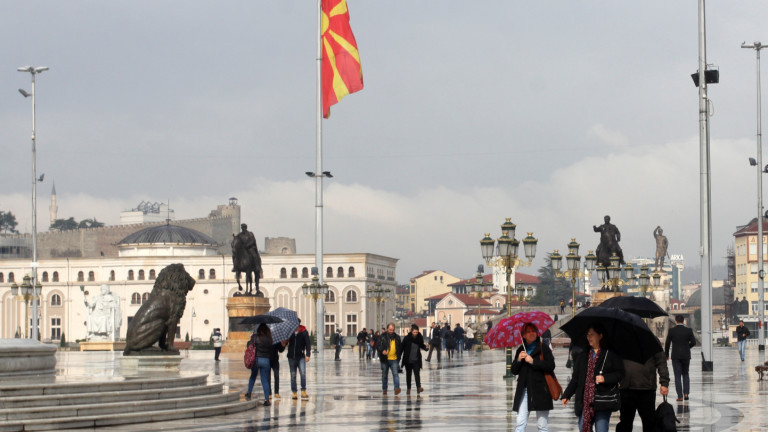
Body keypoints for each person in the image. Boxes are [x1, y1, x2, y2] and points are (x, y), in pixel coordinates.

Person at [562, 323, 625, 432]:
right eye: (587, 335)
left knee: (601, 429)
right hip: (585, 401)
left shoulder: (609, 354)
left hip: (602, 400)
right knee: (583, 427)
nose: (589, 338)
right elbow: (576, 378)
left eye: (592, 335)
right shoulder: (583, 355)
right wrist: (567, 395)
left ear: (600, 336)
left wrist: (605, 378)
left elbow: (620, 373)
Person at [511, 322, 556, 432]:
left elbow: (551, 366)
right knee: (520, 423)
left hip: (541, 391)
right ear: (523, 335)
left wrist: (533, 361)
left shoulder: (543, 348)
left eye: (534, 331)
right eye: (529, 332)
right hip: (525, 391)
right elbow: (514, 371)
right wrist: (518, 360)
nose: (532, 333)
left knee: (542, 425)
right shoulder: (521, 349)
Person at [616, 351, 669, 432]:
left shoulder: (652, 340)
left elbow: (661, 362)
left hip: (646, 389)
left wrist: (664, 382)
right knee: (625, 422)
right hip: (626, 388)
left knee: (649, 422)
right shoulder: (623, 341)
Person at [664, 315, 696, 401]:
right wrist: (687, 347)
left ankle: (680, 396)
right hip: (686, 356)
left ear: (676, 321)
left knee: (677, 376)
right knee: (685, 374)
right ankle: (686, 394)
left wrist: (666, 355)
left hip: (676, 356)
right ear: (683, 321)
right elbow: (693, 342)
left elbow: (667, 344)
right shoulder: (688, 330)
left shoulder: (671, 331)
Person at [245, 324, 273, 406]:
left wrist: (251, 338)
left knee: (253, 376)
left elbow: (248, 346)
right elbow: (271, 350)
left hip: (256, 359)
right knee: (265, 380)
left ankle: (249, 392)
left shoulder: (255, 337)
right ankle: (267, 399)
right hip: (266, 360)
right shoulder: (269, 338)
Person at [286, 318, 311, 400]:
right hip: (291, 357)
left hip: (300, 357)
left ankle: (303, 391)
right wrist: (284, 343)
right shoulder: (290, 332)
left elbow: (308, 344)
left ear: (298, 324)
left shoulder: (304, 332)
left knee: (303, 373)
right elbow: (286, 343)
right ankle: (294, 392)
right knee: (293, 375)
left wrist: (308, 354)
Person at [400, 324, 428, 395]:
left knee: (417, 374)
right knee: (408, 375)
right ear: (411, 331)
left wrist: (426, 348)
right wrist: (398, 356)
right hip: (408, 360)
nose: (415, 334)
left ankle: (418, 387)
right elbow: (402, 347)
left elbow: (421, 345)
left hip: (416, 359)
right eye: (414, 332)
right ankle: (408, 388)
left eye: (416, 332)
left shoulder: (419, 338)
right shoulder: (407, 338)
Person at [377, 323, 402, 395]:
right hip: (385, 359)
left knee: (395, 374)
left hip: (394, 359)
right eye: (390, 330)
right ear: (387, 329)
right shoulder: (383, 336)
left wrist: (399, 357)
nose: (391, 331)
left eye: (393, 330)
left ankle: (396, 389)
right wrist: (382, 350)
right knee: (384, 375)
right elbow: (378, 345)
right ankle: (385, 389)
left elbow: (399, 348)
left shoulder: (397, 337)